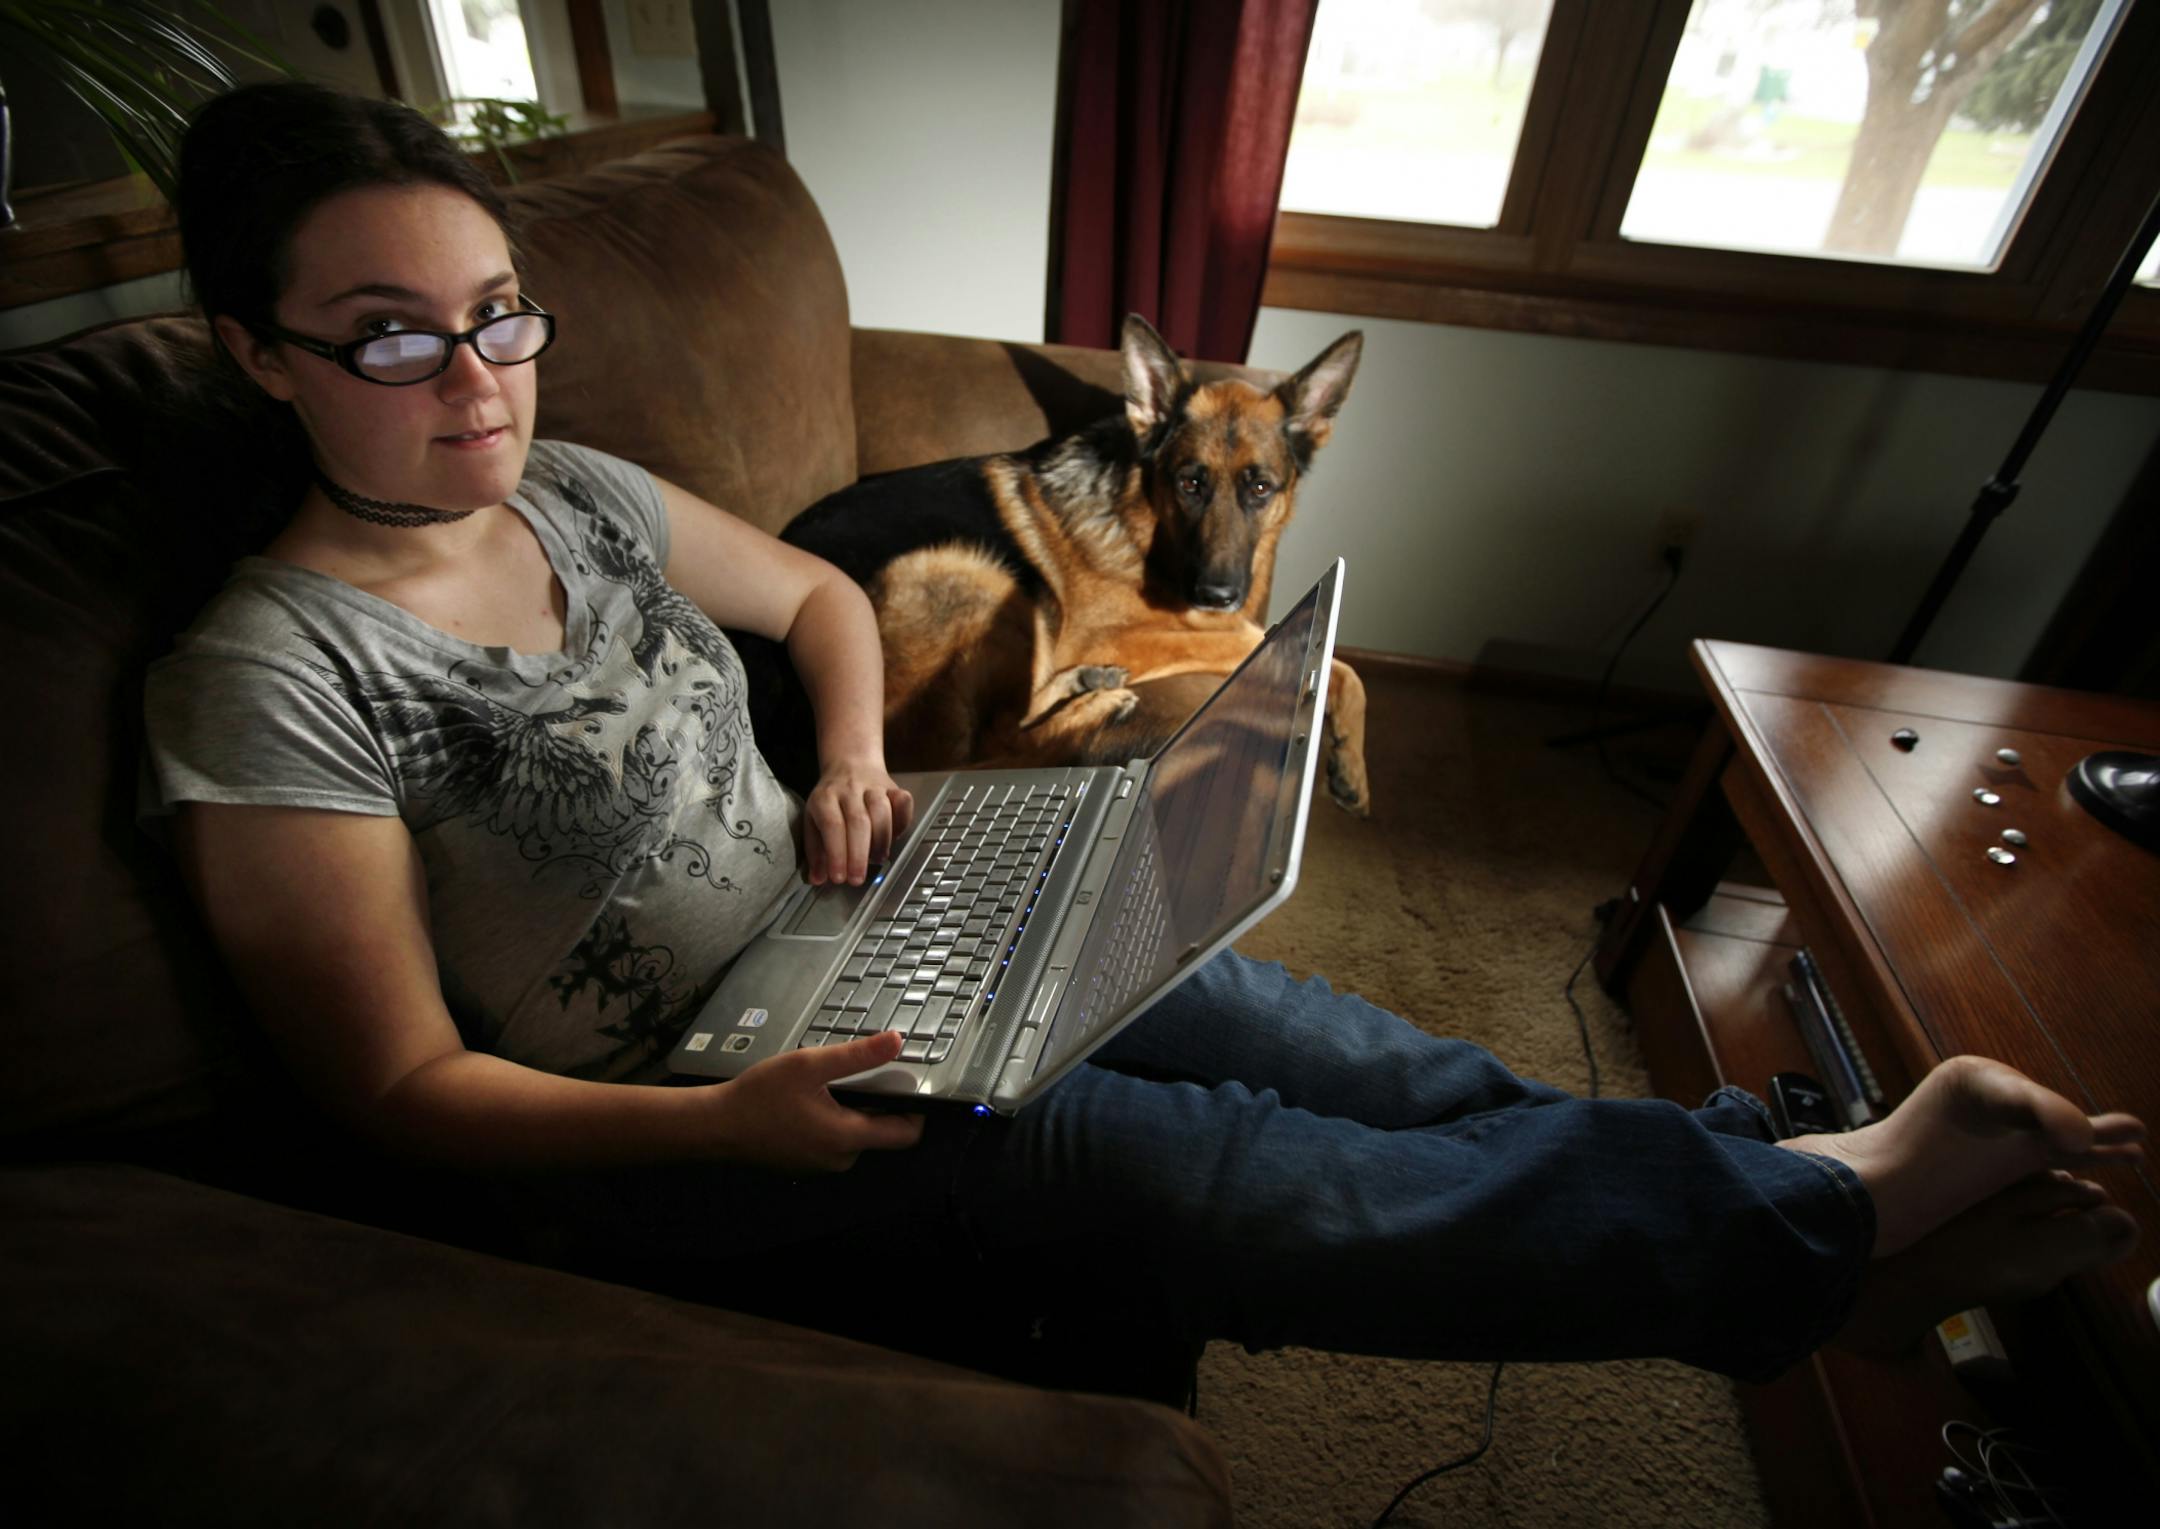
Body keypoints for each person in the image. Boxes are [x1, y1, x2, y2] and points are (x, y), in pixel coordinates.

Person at [144, 82, 2143, 1386]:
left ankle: (1765, 1172)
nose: (477, 378)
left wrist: (851, 758)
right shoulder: (270, 679)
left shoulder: (570, 482)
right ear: (259, 351)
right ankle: (1835, 1220)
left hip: (859, 909)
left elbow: (824, 600)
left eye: (501, 311)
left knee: (1337, 1043)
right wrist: (713, 1127)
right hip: (685, 1116)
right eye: (394, 334)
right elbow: (393, 1087)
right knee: (1211, 1170)